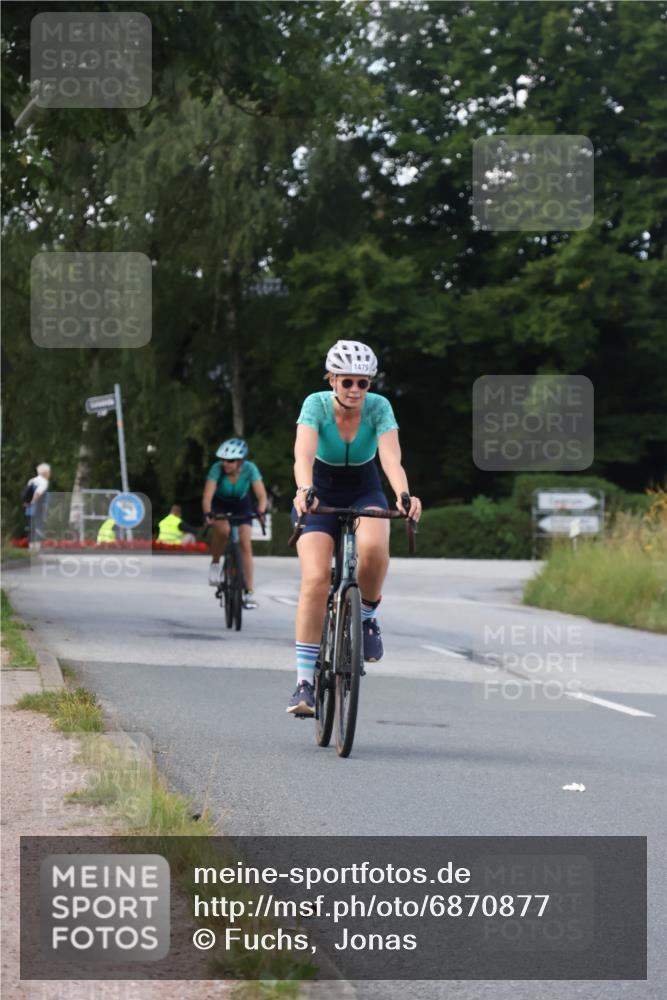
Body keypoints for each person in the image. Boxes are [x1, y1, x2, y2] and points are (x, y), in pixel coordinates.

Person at [287, 340, 422, 715]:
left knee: (375, 549)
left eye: (363, 383)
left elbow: (391, 458)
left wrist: (404, 494)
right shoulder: (315, 405)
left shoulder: (379, 407)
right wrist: (304, 490)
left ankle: (366, 617)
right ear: (331, 379)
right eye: (347, 381)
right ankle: (303, 684)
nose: (355, 390)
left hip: (365, 488)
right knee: (316, 579)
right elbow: (303, 454)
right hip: (319, 490)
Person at [202, 438, 268, 609]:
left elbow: (262, 495)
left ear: (240, 461)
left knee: (245, 542)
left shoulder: (250, 469)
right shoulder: (217, 469)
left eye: (230, 461)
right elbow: (207, 496)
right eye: (223, 460)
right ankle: (215, 564)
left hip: (241, 504)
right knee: (223, 530)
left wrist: (261, 511)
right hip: (220, 504)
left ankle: (249, 592)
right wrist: (208, 513)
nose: (225, 463)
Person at [23, 462, 51, 550]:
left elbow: (26, 494)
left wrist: (28, 502)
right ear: (45, 472)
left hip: (29, 509)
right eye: (49, 472)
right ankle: (37, 548)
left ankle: (31, 548)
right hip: (38, 508)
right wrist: (33, 501)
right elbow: (38, 493)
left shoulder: (32, 480)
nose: (50, 474)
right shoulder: (44, 482)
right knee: (39, 527)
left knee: (31, 528)